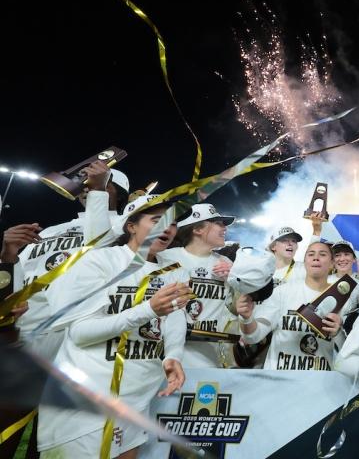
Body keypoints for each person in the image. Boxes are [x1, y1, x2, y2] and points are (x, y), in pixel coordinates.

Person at [38, 194, 191, 458]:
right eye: (157, 220)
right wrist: (148, 309)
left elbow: (175, 317)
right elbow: (80, 333)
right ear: (131, 226)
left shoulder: (175, 270)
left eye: (173, 222)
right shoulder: (99, 262)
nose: (167, 228)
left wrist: (173, 355)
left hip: (137, 396)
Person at [12, 162, 128, 361]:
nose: (88, 188)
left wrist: (97, 191)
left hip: (68, 327)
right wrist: (9, 254)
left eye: (102, 184)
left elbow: (96, 248)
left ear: (120, 195)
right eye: (86, 184)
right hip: (24, 323)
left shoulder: (123, 227)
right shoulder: (51, 231)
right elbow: (20, 270)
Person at [235, 242, 343, 371]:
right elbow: (253, 336)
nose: (316, 258)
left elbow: (348, 351)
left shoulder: (341, 298)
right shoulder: (282, 292)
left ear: (332, 263)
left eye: (323, 254)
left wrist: (338, 333)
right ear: (304, 262)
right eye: (311, 254)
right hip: (279, 377)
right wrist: (246, 318)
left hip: (318, 379)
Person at [159, 203, 236, 368]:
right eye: (218, 223)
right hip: (166, 352)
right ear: (197, 229)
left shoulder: (226, 263)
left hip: (208, 354)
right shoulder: (166, 258)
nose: (224, 228)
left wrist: (236, 279)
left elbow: (235, 309)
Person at [266, 213, 323, 287]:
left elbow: (313, 251)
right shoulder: (262, 270)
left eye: (293, 241)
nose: (290, 244)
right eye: (284, 240)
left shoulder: (303, 269)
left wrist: (316, 230)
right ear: (273, 246)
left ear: (297, 247)